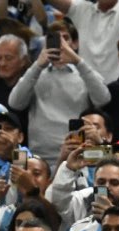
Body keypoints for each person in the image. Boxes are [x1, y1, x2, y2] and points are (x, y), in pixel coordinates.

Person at [7, 22, 111, 166]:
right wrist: (37, 65)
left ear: (74, 43)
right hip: (39, 157)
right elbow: (15, 103)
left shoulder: (84, 73)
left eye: (65, 38)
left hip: (77, 153)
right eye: (55, 39)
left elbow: (103, 99)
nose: (61, 45)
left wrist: (77, 60)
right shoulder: (36, 73)